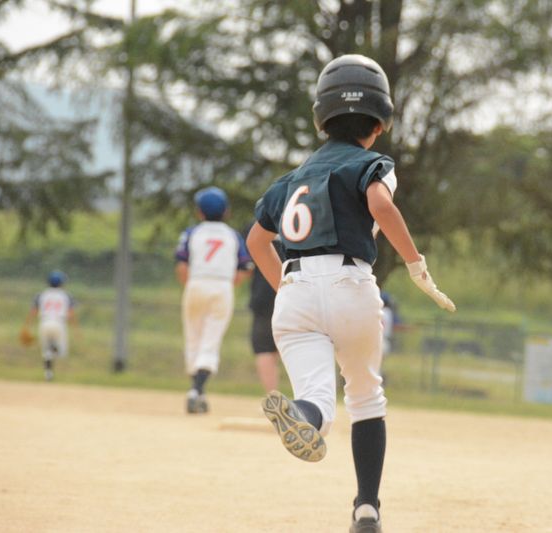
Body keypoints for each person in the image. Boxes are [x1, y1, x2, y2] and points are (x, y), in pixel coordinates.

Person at [246, 54, 455, 533]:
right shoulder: (371, 163)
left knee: (316, 397)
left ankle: (304, 415)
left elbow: (257, 241)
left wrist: (286, 287)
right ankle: (366, 509)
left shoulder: (289, 181)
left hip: (295, 287)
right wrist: (416, 264)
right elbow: (380, 203)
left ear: (321, 121)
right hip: (350, 284)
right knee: (365, 396)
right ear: (380, 125)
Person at [175, 186, 252, 414]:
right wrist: (230, 283)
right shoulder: (233, 235)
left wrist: (190, 285)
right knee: (211, 339)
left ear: (199, 212)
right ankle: (197, 390)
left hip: (196, 283)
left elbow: (181, 265)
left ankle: (197, 389)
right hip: (222, 286)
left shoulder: (192, 233)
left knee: (193, 337)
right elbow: (246, 267)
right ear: (226, 212)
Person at [245, 226, 285, 393]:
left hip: (264, 293)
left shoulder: (262, 219)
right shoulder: (306, 215)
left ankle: (273, 394)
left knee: (264, 346)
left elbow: (246, 265)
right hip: (297, 289)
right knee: (300, 341)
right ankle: (309, 397)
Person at [23, 270, 77, 381]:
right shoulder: (66, 295)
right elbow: (71, 313)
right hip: (59, 323)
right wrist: (76, 329)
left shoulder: (41, 294)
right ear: (62, 282)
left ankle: (48, 373)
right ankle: (53, 349)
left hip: (44, 322)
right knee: (61, 352)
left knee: (46, 352)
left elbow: (33, 312)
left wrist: (26, 326)